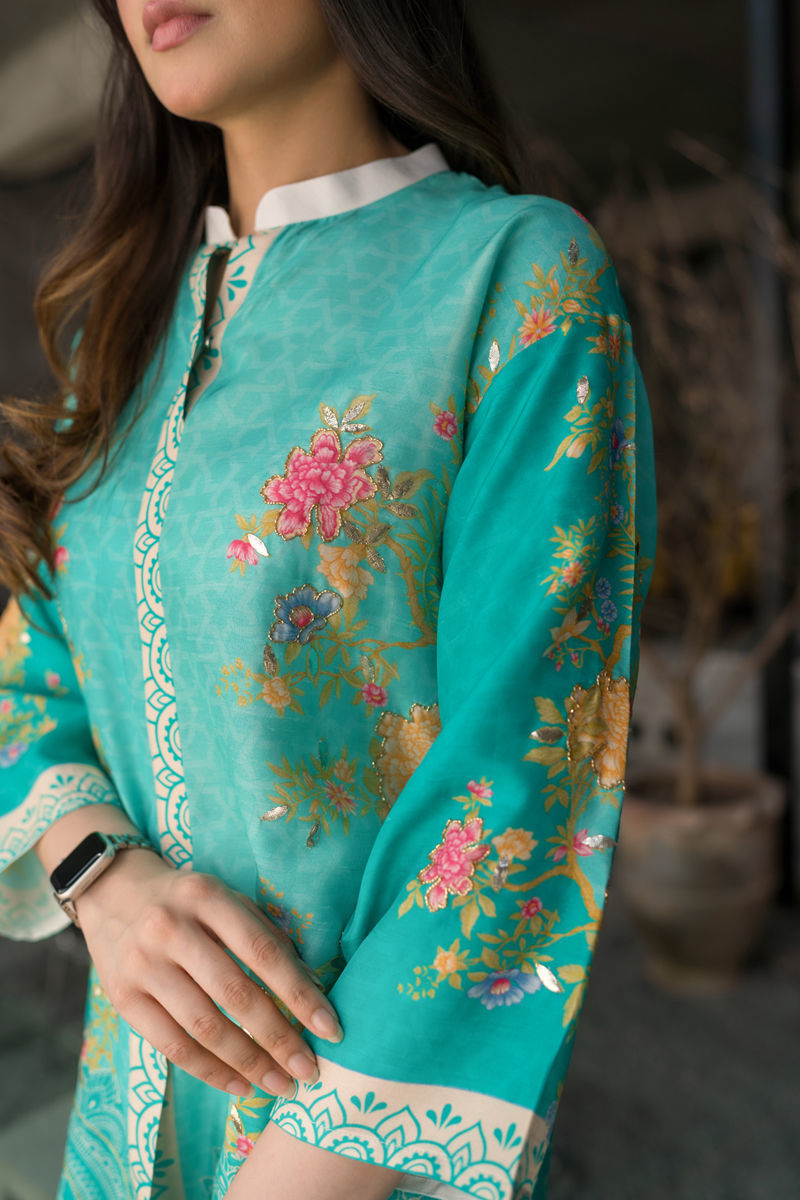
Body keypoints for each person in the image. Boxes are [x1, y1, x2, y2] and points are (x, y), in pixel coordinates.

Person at [0, 1, 657, 1197]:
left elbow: (522, 779)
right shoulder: (118, 327)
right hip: (119, 1128)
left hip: (347, 1160)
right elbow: (33, 663)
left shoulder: (514, 280)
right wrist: (102, 880)